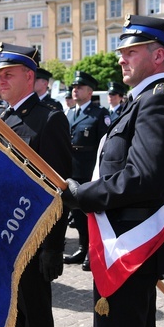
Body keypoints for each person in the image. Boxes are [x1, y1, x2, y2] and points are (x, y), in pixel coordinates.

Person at [62, 14, 164, 327]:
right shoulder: (141, 100)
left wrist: (84, 195)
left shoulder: (158, 102)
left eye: (130, 51)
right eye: (122, 51)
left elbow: (143, 176)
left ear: (158, 55)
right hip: (123, 240)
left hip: (130, 244)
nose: (121, 58)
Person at [0, 43, 72, 327]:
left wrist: (53, 247)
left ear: (29, 76)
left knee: (36, 314)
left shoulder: (48, 120)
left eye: (8, 74)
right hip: (2, 238)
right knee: (11, 313)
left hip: (33, 240)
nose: (0, 81)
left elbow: (60, 192)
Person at [64, 71, 110, 271]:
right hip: (72, 169)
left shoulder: (100, 114)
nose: (75, 90)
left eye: (79, 87)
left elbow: (106, 146)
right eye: (73, 87)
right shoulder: (70, 113)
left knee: (91, 213)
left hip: (89, 170)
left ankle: (93, 251)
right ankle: (83, 247)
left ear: (90, 91)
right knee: (77, 213)